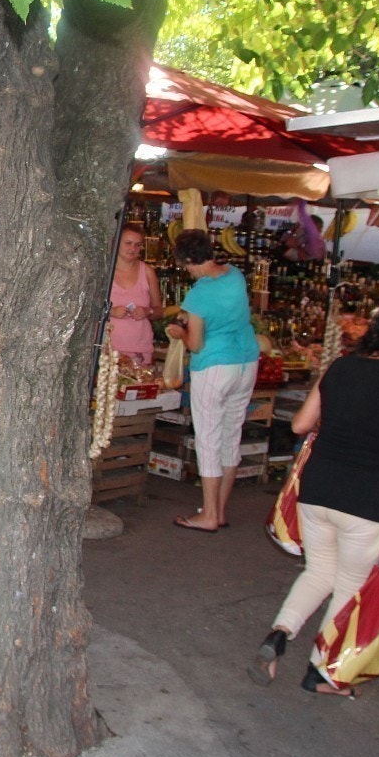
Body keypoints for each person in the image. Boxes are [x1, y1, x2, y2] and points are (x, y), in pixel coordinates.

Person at [248, 298, 379, 696]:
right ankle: (322, 674)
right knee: (349, 584)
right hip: (366, 499)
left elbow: (300, 424)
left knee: (318, 571)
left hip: (316, 490)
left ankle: (279, 635)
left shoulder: (339, 366)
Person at [165, 228, 260, 532]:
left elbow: (196, 344)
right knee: (231, 437)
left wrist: (181, 332)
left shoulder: (199, 293)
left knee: (208, 440)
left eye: (186, 266)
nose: (188, 272)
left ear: (191, 259)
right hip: (246, 362)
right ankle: (219, 509)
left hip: (215, 367)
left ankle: (207, 515)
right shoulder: (235, 275)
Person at [109, 224, 162, 366]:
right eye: (128, 243)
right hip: (108, 349)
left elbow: (158, 310)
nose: (133, 249)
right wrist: (111, 311)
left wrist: (147, 311)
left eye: (138, 245)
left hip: (140, 348)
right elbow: (89, 307)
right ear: (115, 242)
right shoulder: (104, 271)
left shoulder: (148, 272)